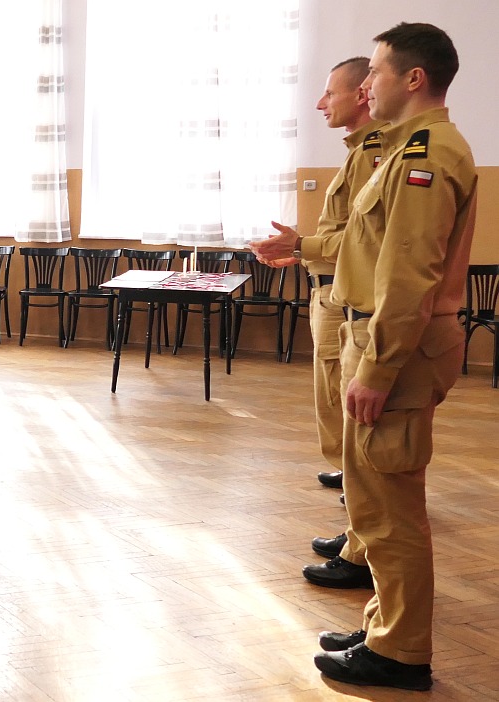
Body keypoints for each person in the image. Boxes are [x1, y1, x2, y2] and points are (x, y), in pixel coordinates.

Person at [253, 22, 474, 691]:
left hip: (396, 351)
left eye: (374, 71)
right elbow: (367, 242)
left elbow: (408, 276)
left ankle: (401, 652)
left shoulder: (426, 156)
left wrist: (376, 369)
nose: (366, 82)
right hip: (379, 338)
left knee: (390, 506)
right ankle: (386, 626)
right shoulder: (411, 148)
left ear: (413, 78)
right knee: (375, 500)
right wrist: (305, 247)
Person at [294, 59, 387, 592]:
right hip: (333, 288)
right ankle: (357, 528)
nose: (320, 103)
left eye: (331, 93)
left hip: (347, 296)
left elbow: (360, 239)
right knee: (334, 405)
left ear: (361, 95)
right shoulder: (360, 152)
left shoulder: (376, 152)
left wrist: (300, 245)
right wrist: (301, 250)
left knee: (343, 406)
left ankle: (362, 541)